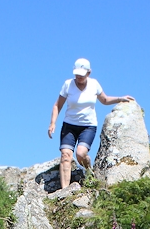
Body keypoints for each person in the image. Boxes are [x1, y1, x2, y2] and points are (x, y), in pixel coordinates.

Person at [48, 58, 135, 188]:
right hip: (69, 126)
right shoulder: (68, 85)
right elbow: (57, 105)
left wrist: (120, 99)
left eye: (82, 75)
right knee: (66, 155)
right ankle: (64, 190)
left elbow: (104, 100)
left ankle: (88, 168)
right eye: (76, 75)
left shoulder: (94, 84)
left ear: (88, 73)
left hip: (87, 126)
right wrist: (52, 123)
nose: (79, 77)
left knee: (80, 154)